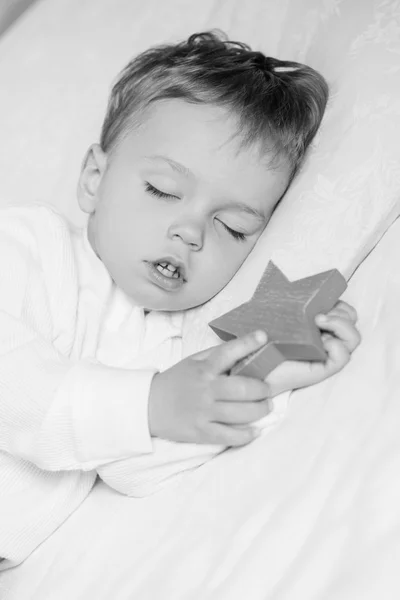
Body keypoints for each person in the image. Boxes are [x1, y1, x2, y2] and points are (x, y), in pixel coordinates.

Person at [0, 31, 360, 569]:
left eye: (232, 227)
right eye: (164, 191)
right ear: (95, 179)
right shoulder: (26, 243)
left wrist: (263, 376)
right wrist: (151, 403)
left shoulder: (162, 340)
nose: (191, 231)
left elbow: (133, 467)